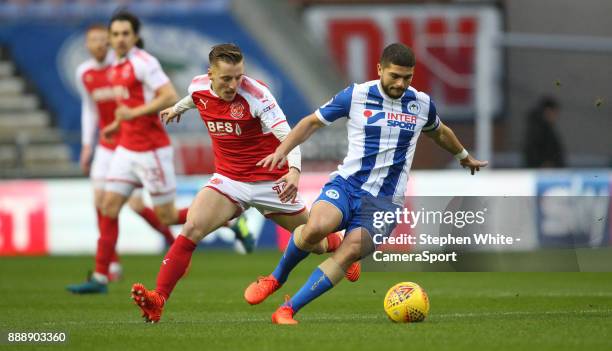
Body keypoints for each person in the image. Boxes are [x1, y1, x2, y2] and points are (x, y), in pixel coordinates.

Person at [249, 43, 488, 324]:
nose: (400, 83)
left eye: (407, 77)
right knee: (314, 228)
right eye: (394, 76)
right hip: (348, 185)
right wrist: (282, 151)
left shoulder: (421, 103)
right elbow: (311, 123)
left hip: (385, 202)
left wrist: (462, 156)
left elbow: (440, 132)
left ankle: (288, 310)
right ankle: (276, 278)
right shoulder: (357, 95)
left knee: (350, 252)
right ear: (379, 70)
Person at [129, 43, 358, 323]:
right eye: (226, 78)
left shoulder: (257, 95)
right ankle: (158, 300)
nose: (234, 84)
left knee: (316, 243)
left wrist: (295, 171)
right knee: (191, 227)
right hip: (229, 180)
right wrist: (177, 108)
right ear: (210, 74)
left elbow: (290, 136)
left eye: (239, 76)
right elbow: (193, 97)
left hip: (271, 181)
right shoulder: (198, 87)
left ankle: (337, 243)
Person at [67, 12, 189, 294]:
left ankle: (227, 215)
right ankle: (100, 277)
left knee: (168, 215)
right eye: (116, 34)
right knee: (108, 207)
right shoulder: (116, 67)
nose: (120, 39)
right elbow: (127, 106)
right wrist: (115, 124)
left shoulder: (144, 63)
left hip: (151, 150)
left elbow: (170, 96)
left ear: (134, 37)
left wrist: (132, 113)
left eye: (125, 34)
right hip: (125, 148)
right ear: (110, 39)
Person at [523, 96, 565, 168]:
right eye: (554, 112)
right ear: (547, 111)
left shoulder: (546, 129)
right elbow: (532, 152)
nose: (555, 116)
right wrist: (544, 165)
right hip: (541, 173)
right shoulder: (538, 131)